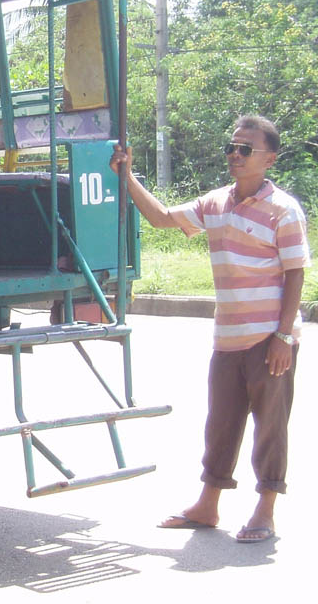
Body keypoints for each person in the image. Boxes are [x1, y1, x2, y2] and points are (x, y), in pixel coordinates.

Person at [109, 115, 310, 543]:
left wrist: (284, 336)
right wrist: (127, 177)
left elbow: (295, 274)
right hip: (228, 337)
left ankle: (265, 508)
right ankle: (208, 504)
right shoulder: (216, 203)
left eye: (246, 150)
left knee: (270, 425)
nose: (235, 156)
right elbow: (163, 218)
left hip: (268, 338)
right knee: (221, 423)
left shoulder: (284, 210)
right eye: (232, 147)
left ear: (269, 159)